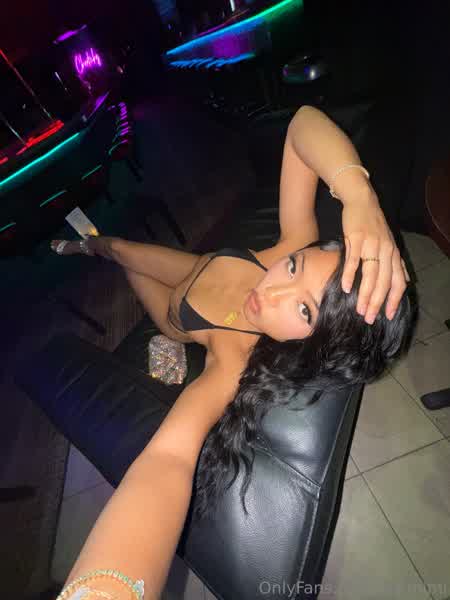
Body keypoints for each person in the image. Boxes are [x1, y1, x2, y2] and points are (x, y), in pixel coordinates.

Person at [50, 105, 417, 600]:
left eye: (304, 310)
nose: (272, 291)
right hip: (194, 265)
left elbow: (168, 460)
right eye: (294, 267)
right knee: (118, 247)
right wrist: (358, 195)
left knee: (128, 265)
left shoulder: (231, 361)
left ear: (312, 347)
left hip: (175, 315)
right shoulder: (296, 239)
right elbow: (301, 124)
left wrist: (104, 590)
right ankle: (86, 244)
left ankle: (99, 254)